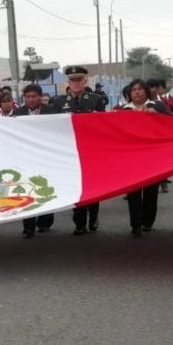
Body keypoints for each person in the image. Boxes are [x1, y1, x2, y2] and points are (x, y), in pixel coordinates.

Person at [52, 65, 106, 235]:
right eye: (73, 80)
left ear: (85, 81)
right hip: (70, 151)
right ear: (68, 82)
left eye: (79, 80)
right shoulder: (59, 102)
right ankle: (79, 222)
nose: (76, 83)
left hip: (91, 149)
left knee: (93, 186)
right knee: (76, 186)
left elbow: (102, 125)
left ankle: (94, 218)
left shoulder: (96, 99)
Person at [120, 80, 171, 236]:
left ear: (146, 91)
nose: (137, 92)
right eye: (134, 89)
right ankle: (135, 224)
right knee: (133, 193)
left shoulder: (158, 106)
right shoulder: (123, 110)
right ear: (130, 93)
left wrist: (159, 117)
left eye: (140, 89)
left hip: (153, 156)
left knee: (151, 192)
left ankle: (147, 222)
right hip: (132, 157)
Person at [13, 83, 57, 237]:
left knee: (45, 189)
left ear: (40, 97)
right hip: (26, 159)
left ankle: (45, 222)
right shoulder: (17, 114)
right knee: (27, 190)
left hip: (46, 157)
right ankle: (28, 226)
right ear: (24, 98)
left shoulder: (51, 112)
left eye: (34, 96)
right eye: (28, 97)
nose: (31, 99)